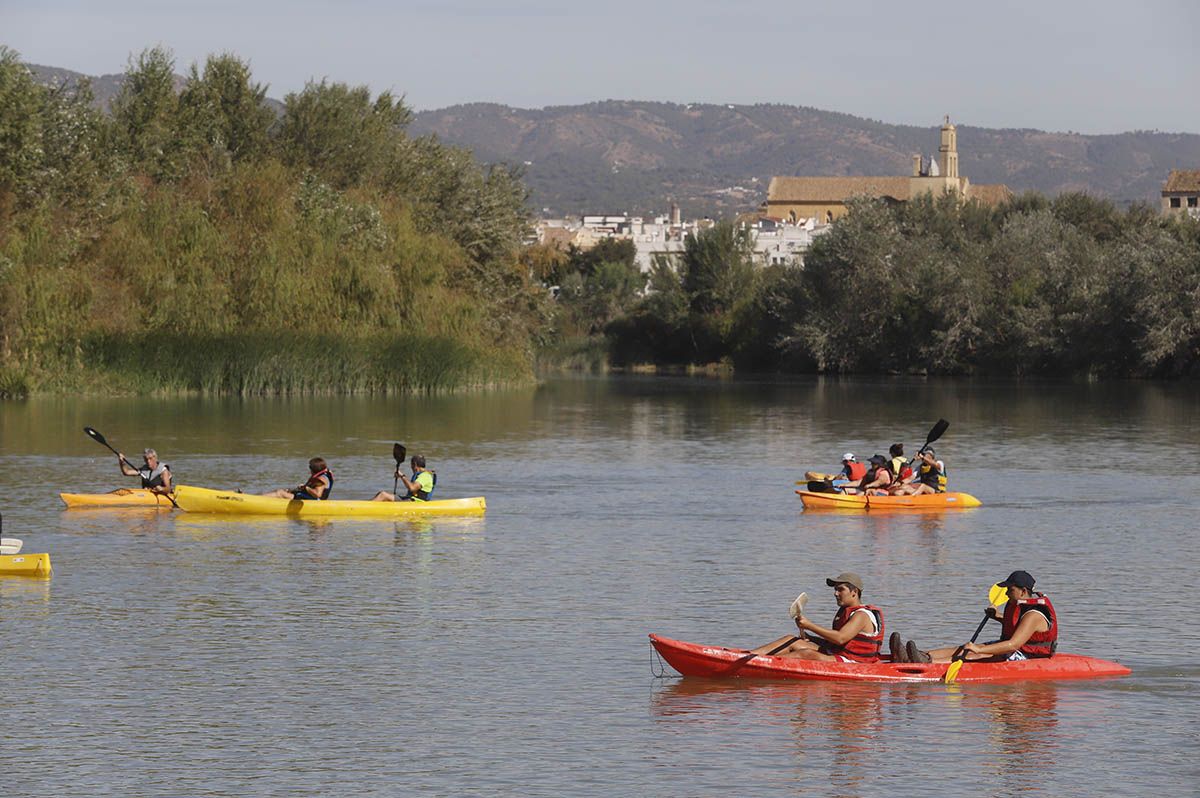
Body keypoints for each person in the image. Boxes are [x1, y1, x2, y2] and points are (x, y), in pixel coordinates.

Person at [903, 571, 1057, 664]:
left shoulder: (1034, 615)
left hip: (1028, 656)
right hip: (1016, 649)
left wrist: (977, 648)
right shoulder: (1021, 605)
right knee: (965, 647)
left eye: (1010, 589)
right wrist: (997, 616)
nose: (1006, 593)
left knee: (975, 652)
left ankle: (928, 664)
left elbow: (1013, 644)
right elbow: (1018, 627)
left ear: (1023, 591)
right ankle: (921, 654)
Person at [751, 572, 885, 662]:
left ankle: (761, 664)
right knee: (792, 640)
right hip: (838, 654)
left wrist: (809, 625)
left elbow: (840, 638)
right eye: (835, 589)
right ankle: (748, 656)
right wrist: (811, 638)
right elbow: (837, 643)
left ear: (854, 592)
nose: (835, 593)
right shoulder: (846, 611)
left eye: (840, 589)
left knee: (806, 653)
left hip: (854, 662)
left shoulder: (861, 615)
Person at [371, 454, 436, 502]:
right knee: (380, 494)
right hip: (410, 500)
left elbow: (412, 488)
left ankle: (365, 507)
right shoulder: (422, 475)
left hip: (416, 503)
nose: (411, 467)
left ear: (415, 465)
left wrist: (402, 476)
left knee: (383, 495)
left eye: (411, 465)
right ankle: (366, 504)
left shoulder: (425, 476)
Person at [262, 457, 333, 500]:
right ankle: (259, 498)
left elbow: (318, 494)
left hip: (314, 502)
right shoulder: (320, 476)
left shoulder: (321, 479)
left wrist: (306, 488)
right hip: (308, 498)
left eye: (310, 467)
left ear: (313, 469)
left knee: (280, 493)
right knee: (285, 491)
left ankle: (257, 500)